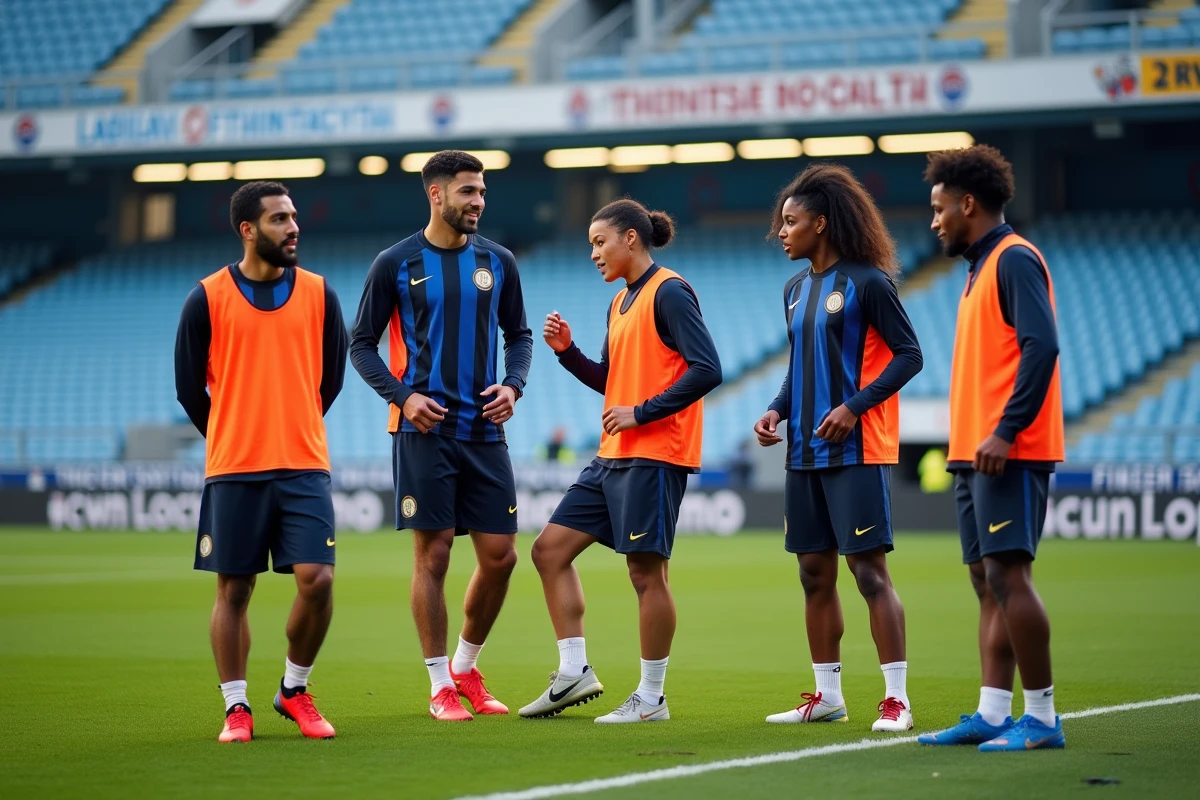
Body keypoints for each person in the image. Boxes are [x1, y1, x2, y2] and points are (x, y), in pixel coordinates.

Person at [519, 200, 721, 723]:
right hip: (614, 455)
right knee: (548, 551)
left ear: (631, 238)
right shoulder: (619, 303)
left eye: (599, 242)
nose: (594, 253)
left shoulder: (670, 292)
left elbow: (707, 369)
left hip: (655, 454)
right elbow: (612, 381)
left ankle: (652, 698)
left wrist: (643, 413)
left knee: (645, 573)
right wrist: (568, 353)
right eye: (590, 244)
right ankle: (573, 672)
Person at [349, 150, 533, 722]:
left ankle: (466, 667)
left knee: (501, 557)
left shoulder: (498, 261)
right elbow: (361, 344)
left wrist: (514, 385)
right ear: (436, 195)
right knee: (434, 554)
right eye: (467, 192)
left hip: (483, 430)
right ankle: (438, 686)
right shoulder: (395, 264)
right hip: (424, 431)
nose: (478, 202)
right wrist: (403, 396)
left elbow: (519, 335)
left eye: (482, 192)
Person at [174, 181, 347, 743]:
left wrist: (289, 423)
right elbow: (188, 389)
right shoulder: (206, 297)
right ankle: (236, 707)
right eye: (278, 219)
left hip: (303, 464)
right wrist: (233, 433)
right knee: (235, 590)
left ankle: (294, 690)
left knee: (317, 581)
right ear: (248, 230)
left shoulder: (321, 294)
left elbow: (331, 380)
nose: (293, 227)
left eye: (293, 217)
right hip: (235, 468)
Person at [753, 164, 923, 732]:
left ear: (821, 224)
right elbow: (800, 367)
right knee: (813, 575)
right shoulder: (794, 289)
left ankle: (896, 700)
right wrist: (777, 408)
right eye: (781, 221)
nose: (782, 230)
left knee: (870, 574)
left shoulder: (869, 283)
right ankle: (827, 696)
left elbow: (908, 355)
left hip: (855, 451)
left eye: (791, 221)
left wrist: (854, 406)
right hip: (802, 452)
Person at [918, 145, 1066, 752]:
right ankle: (992, 711)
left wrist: (1005, 430)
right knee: (986, 580)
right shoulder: (979, 268)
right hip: (972, 451)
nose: (934, 221)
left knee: (1010, 576)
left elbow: (1043, 347)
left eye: (939, 208)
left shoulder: (1015, 259)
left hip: (1010, 448)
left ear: (968, 204)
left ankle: (1043, 718)